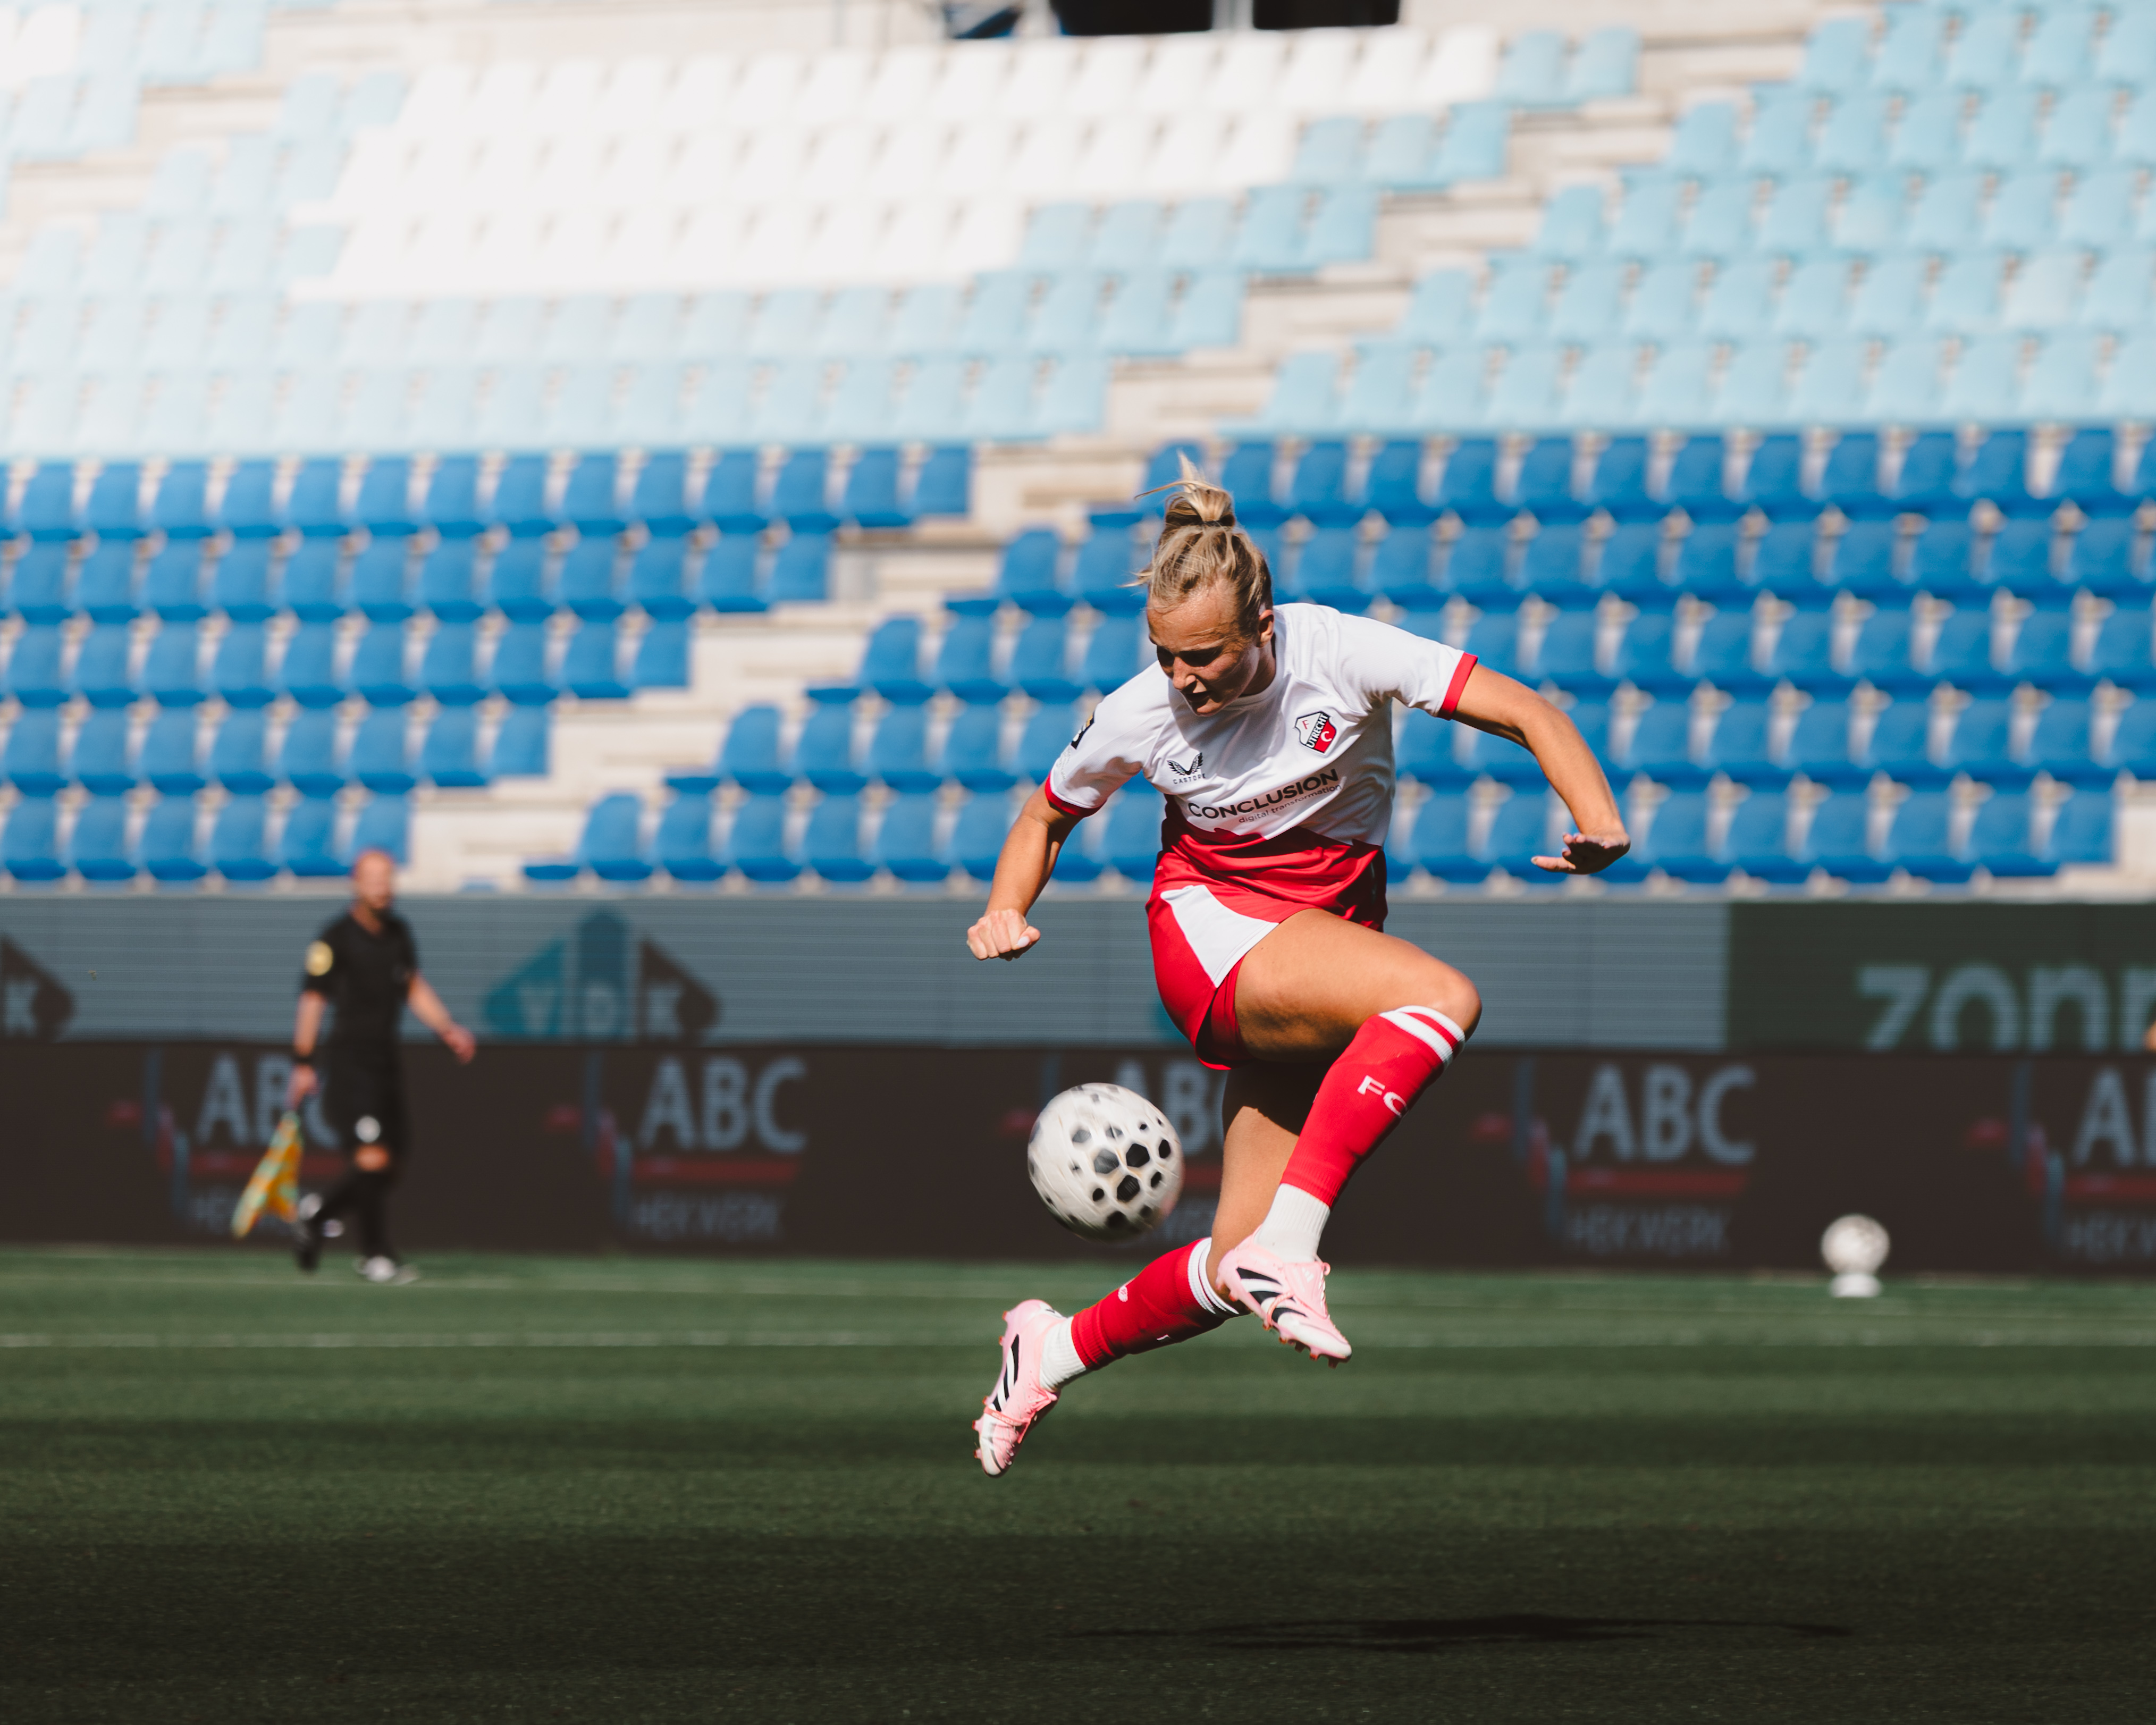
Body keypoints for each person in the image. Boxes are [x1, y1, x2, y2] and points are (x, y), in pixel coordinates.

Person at [964, 460, 1630, 1475]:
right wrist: (1006, 907)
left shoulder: (1340, 650)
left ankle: (1046, 1350)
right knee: (1439, 997)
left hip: (1317, 935)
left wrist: (1599, 820)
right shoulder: (1140, 710)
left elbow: (1527, 712)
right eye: (1167, 655)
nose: (1184, 678)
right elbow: (1048, 812)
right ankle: (1296, 1243)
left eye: (1206, 656)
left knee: (1229, 1268)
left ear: (1263, 622)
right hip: (1213, 931)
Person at [287, 848, 476, 1283]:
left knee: (393, 1165)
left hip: (387, 1063)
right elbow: (313, 1000)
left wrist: (446, 1028)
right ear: (357, 883)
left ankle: (317, 1216)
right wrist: (303, 1061)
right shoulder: (335, 937)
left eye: (387, 877)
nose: (381, 886)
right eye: (372, 877)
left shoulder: (398, 933)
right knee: (372, 1159)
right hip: (350, 1064)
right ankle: (375, 1255)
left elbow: (412, 985)